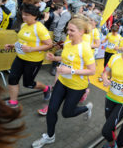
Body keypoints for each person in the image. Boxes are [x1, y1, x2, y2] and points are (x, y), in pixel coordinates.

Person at [32, 18, 96, 148]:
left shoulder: (85, 48)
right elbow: (66, 57)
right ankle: (50, 137)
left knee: (66, 113)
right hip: (62, 82)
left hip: (77, 87)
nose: (68, 32)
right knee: (51, 111)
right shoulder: (68, 42)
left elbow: (92, 71)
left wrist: (71, 70)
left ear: (81, 32)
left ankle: (86, 108)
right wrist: (55, 58)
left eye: (72, 30)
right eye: (68, 29)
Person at [4, 3, 53, 108]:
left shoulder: (40, 28)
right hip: (20, 58)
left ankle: (46, 88)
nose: (23, 17)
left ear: (34, 16)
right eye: (22, 14)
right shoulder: (23, 25)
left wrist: (32, 49)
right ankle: (13, 102)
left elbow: (49, 45)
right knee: (12, 78)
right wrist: (12, 45)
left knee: (28, 83)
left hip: (33, 61)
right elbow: (22, 41)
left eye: (26, 15)